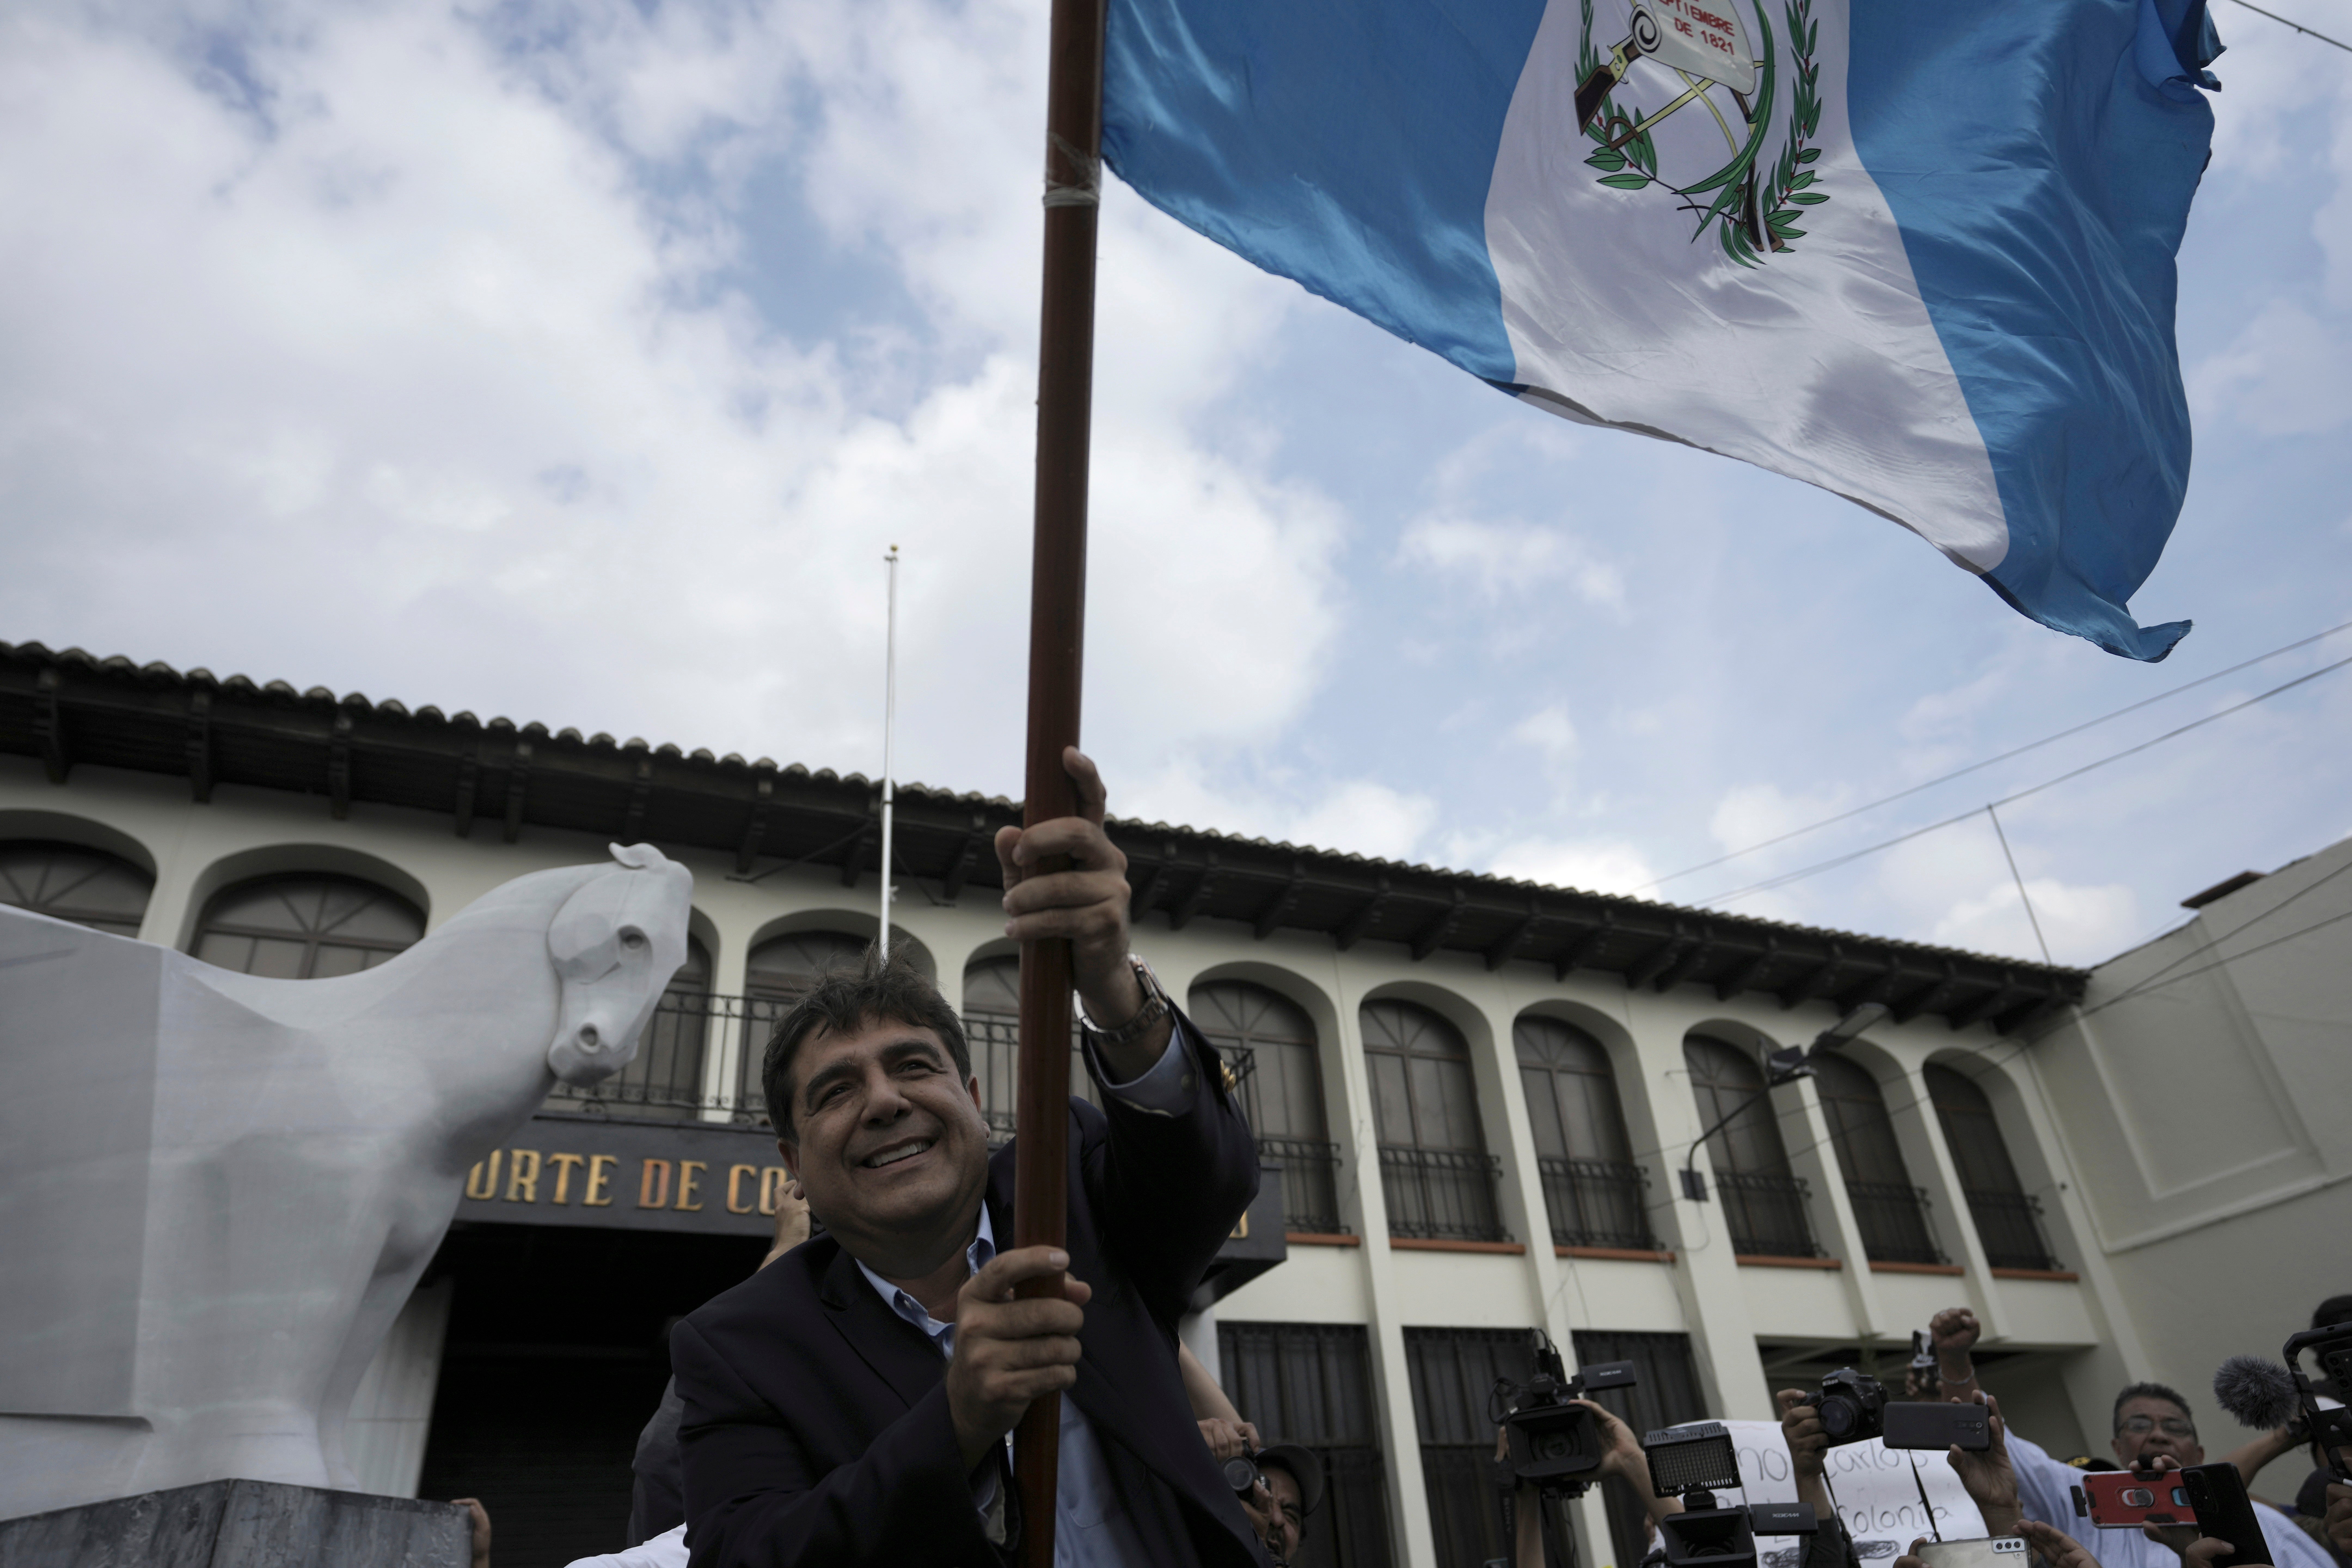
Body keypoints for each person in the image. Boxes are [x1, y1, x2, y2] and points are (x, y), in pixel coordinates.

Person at [669, 749, 1264, 1567]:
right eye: (837, 1091)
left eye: (914, 1066)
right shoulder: (740, 1347)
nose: (884, 1101)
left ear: (975, 1101)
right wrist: (955, 1424)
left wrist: (1108, 981)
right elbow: (747, 1555)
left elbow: (1207, 1174)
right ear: (793, 1165)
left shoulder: (1074, 1193)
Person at [1926, 1307, 2336, 1568]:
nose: (2158, 1435)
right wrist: (1955, 1361)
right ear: (2117, 1449)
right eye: (2139, 1425)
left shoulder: (2260, 1525)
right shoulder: (2080, 1503)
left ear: (2199, 1452)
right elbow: (1987, 1442)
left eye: (2175, 1428)